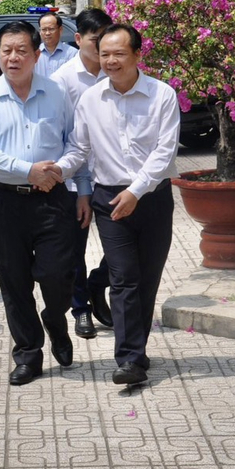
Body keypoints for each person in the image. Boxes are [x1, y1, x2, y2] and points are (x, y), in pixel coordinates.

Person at [53, 23, 179, 386]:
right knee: (124, 278)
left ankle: (136, 350)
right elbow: (79, 148)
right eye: (104, 53)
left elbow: (164, 153)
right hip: (110, 200)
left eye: (118, 54)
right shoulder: (91, 99)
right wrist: (56, 171)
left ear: (138, 55)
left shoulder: (162, 95)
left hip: (152, 198)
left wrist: (137, 191)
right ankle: (129, 360)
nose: (110, 61)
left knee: (147, 280)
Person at [0, 20, 81, 386]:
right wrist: (26, 170)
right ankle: (28, 354)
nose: (12, 57)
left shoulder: (56, 93)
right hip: (5, 201)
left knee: (57, 274)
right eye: (6, 50)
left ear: (35, 55)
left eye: (20, 51)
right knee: (14, 283)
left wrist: (59, 172)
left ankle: (55, 319)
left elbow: (77, 144)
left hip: (52, 197)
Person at [50, 8, 114, 341]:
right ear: (78, 40)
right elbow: (61, 138)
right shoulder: (62, 80)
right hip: (75, 179)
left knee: (124, 246)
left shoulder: (116, 72)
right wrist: (78, 184)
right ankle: (81, 309)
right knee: (74, 250)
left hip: (114, 176)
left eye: (107, 37)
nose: (103, 47)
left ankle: (97, 284)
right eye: (95, 40)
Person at [34, 11, 77, 77]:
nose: (47, 33)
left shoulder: (72, 54)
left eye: (51, 29)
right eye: (44, 29)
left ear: (60, 30)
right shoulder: (34, 53)